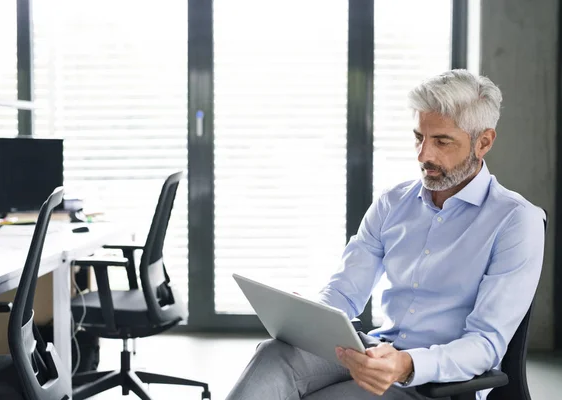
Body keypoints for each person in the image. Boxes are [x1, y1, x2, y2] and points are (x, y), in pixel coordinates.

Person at [226, 69, 545, 400]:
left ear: (484, 141)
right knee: (274, 353)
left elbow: (486, 344)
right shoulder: (394, 203)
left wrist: (406, 364)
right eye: (419, 137)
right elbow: (344, 292)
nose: (424, 155)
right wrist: (308, 319)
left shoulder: (516, 221)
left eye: (442, 141)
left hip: (436, 380)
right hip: (379, 349)